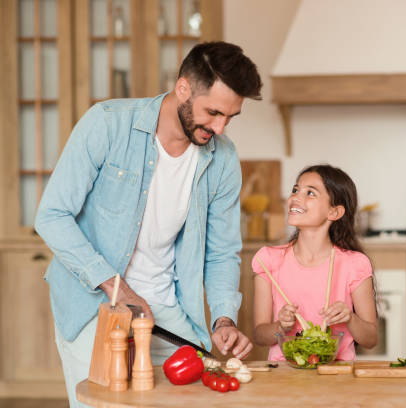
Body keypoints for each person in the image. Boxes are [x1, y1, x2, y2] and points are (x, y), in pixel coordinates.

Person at [35, 41, 262, 406]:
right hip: (96, 307)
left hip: (169, 310)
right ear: (183, 87)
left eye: (231, 117)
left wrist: (223, 320)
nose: (220, 128)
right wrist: (120, 290)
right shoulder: (108, 123)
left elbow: (221, 253)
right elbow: (51, 217)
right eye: (213, 112)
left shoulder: (223, 159)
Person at [252, 165, 378, 361]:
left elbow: (370, 339)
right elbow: (260, 335)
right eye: (295, 190)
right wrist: (280, 327)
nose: (295, 197)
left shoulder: (354, 265)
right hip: (284, 376)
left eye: (310, 193)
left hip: (337, 375)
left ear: (334, 212)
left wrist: (350, 318)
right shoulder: (268, 260)